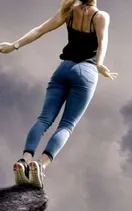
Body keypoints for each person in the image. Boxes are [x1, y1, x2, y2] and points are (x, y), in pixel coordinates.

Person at [0, 0, 118, 189]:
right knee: (67, 125)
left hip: (63, 69)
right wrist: (100, 64)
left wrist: (14, 46)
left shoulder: (69, 10)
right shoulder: (101, 16)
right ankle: (40, 165)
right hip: (86, 72)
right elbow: (102, 41)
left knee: (44, 119)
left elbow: (40, 30)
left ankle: (24, 160)